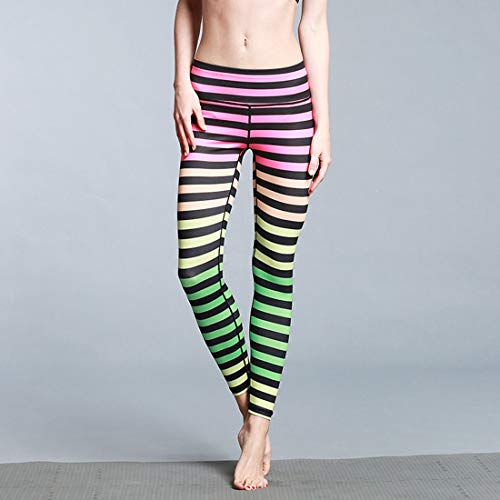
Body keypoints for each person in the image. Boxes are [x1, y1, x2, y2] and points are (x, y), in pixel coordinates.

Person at [173, 0, 331, 491]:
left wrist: (324, 124)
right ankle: (251, 410)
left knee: (274, 270)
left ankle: (257, 430)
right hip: (211, 99)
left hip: (286, 105)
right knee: (194, 271)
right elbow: (187, 7)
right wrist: (181, 83)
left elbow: (314, 24)